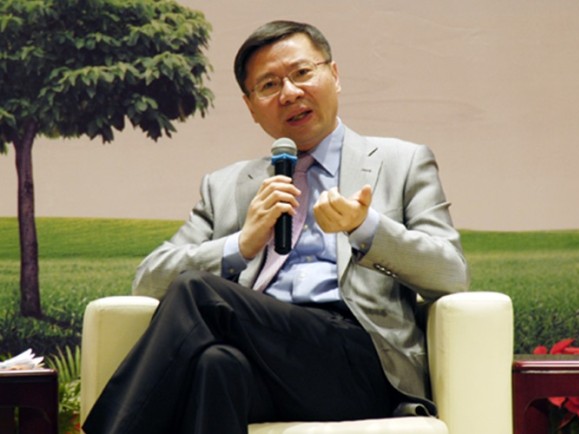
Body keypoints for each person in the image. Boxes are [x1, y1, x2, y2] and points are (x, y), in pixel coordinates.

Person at [83, 20, 469, 434]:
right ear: (251, 107)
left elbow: (451, 274)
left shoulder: (401, 162)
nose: (290, 93)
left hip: (362, 364)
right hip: (266, 363)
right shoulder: (225, 186)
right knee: (217, 365)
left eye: (302, 73)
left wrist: (366, 228)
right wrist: (240, 245)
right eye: (269, 85)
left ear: (334, 75)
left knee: (197, 290)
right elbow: (148, 280)